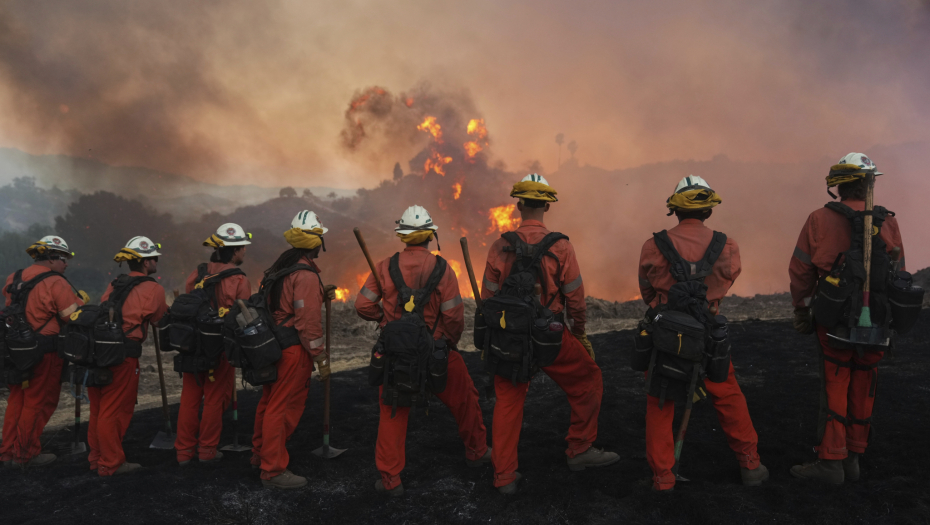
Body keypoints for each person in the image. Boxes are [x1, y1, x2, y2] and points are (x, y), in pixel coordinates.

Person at [480, 174, 617, 495]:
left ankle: (504, 476)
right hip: (551, 335)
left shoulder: (499, 246)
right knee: (588, 380)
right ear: (547, 207)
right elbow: (576, 300)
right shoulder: (561, 246)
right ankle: (580, 449)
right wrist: (579, 334)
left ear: (518, 206)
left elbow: (487, 299)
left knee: (508, 401)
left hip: (510, 338)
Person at [637, 175, 768, 492]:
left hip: (665, 336)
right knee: (727, 394)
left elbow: (647, 291)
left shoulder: (653, 246)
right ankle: (750, 465)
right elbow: (727, 280)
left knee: (661, 400)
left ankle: (663, 478)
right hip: (708, 336)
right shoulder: (728, 246)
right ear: (709, 210)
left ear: (674, 210)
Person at [355, 205, 490, 497]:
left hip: (395, 357)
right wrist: (447, 343)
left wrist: (384, 321)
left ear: (402, 236)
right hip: (436, 350)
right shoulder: (443, 269)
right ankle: (477, 452)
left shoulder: (384, 266)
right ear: (431, 236)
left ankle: (391, 480)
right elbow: (454, 316)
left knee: (392, 411)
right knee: (465, 399)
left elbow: (362, 305)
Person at [789, 153, 905, 484]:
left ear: (838, 186)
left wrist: (801, 308)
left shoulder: (818, 219)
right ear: (869, 185)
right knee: (864, 384)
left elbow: (801, 270)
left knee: (835, 383)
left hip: (833, 316)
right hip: (877, 319)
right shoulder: (887, 221)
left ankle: (830, 462)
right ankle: (853, 458)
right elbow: (899, 272)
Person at [251, 210, 333, 489]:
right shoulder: (305, 275)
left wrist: (319, 294)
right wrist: (320, 356)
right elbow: (307, 323)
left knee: (269, 404)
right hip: (293, 351)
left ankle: (260, 455)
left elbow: (286, 303)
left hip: (274, 346)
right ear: (315, 241)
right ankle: (273, 470)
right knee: (283, 408)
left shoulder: (283, 267)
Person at [2, 236, 85, 468]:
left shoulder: (14, 278)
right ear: (51, 258)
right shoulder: (56, 281)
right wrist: (80, 303)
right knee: (39, 402)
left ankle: (8, 452)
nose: (66, 263)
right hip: (45, 352)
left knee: (18, 400)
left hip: (17, 350)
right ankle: (26, 454)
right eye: (63, 258)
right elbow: (71, 317)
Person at [88, 236, 168, 476]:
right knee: (114, 410)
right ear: (145, 262)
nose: (156, 262)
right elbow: (159, 320)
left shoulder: (115, 284)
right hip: (123, 355)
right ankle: (111, 463)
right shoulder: (154, 288)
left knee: (98, 409)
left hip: (98, 350)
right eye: (154, 258)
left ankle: (97, 458)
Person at [175, 223, 252, 466]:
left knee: (189, 398)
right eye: (243, 247)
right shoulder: (239, 279)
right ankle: (207, 450)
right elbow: (244, 317)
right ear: (235, 250)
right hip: (220, 347)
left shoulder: (197, 273)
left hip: (192, 345)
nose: (245, 251)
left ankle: (183, 452)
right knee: (214, 399)